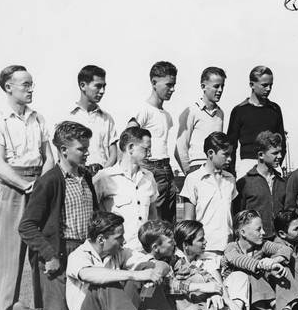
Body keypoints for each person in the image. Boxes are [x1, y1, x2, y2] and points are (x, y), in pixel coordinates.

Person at [0, 65, 54, 310]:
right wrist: (26, 185)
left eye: (32, 83)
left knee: (41, 252)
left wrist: (41, 185)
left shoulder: (39, 119)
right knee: (9, 255)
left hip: (39, 184)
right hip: (14, 187)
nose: (31, 89)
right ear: (8, 87)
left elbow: (49, 157)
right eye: (25, 84)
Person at [65, 211, 191, 310]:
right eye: (119, 237)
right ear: (101, 239)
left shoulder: (120, 252)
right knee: (108, 281)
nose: (123, 241)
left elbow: (159, 264)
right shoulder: (78, 255)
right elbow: (90, 275)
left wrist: (154, 272)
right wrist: (135, 275)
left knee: (147, 267)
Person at [14, 121, 97, 310]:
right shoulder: (48, 181)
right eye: (81, 148)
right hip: (59, 255)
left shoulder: (87, 178)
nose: (87, 152)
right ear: (63, 150)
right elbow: (27, 226)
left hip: (85, 255)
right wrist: (50, 256)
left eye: (87, 147)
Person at [140, 219, 242, 310]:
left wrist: (213, 290)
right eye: (170, 242)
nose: (175, 244)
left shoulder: (172, 258)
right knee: (182, 291)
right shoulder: (146, 263)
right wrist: (198, 287)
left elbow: (195, 270)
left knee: (197, 278)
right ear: (156, 247)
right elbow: (166, 286)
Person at [222, 210, 298, 310]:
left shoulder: (262, 245)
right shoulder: (231, 248)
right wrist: (265, 266)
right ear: (243, 232)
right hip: (237, 298)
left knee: (283, 267)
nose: (263, 233)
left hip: (259, 297)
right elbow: (240, 260)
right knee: (250, 272)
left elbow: (285, 249)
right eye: (258, 229)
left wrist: (275, 261)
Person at [173, 220, 263, 310]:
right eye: (201, 240)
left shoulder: (206, 256)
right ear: (185, 245)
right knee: (198, 280)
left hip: (216, 299)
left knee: (239, 276)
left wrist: (228, 301)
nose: (205, 242)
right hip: (195, 305)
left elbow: (218, 283)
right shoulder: (175, 260)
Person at [128, 61, 178, 223]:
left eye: (174, 85)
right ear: (154, 83)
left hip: (167, 168)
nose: (172, 89)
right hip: (151, 167)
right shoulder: (144, 109)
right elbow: (130, 135)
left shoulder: (166, 115)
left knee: (169, 220)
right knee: (154, 219)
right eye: (169, 85)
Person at [93, 127, 158, 251]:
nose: (150, 154)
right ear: (131, 148)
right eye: (146, 149)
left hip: (143, 252)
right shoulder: (104, 178)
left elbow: (152, 214)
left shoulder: (149, 178)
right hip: (115, 252)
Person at [179, 132, 237, 255]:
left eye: (230, 154)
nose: (230, 159)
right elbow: (188, 219)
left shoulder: (230, 178)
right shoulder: (193, 179)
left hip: (229, 247)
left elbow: (230, 213)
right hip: (206, 249)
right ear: (211, 153)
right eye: (225, 154)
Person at [227, 65, 286, 178]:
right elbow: (231, 146)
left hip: (272, 165)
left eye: (271, 85)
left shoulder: (274, 109)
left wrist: (275, 162)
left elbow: (281, 141)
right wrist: (231, 174)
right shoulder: (239, 111)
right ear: (252, 85)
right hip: (248, 165)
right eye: (264, 85)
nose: (268, 89)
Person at [65, 65, 118, 175]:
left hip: (103, 175)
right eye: (98, 86)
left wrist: (101, 174)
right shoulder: (68, 116)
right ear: (83, 85)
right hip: (77, 175)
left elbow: (113, 154)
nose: (102, 91)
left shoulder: (107, 118)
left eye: (104, 86)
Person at [235, 131, 286, 241]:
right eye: (275, 153)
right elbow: (238, 219)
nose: (280, 156)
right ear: (261, 155)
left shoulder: (282, 182)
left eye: (280, 152)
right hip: (254, 245)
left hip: (279, 242)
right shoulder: (244, 183)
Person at [175, 67, 226, 175]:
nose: (220, 90)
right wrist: (189, 173)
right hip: (197, 167)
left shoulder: (220, 113)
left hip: (216, 169)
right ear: (203, 86)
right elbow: (180, 147)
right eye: (216, 86)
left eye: (222, 86)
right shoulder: (192, 111)